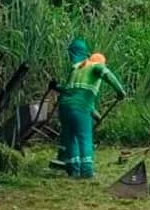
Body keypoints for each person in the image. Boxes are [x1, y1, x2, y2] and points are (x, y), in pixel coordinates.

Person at [50, 39, 126, 179]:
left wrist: (56, 87)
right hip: (79, 107)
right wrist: (120, 91)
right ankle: (86, 171)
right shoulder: (95, 67)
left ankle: (73, 170)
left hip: (65, 108)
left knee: (70, 138)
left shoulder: (76, 69)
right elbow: (107, 74)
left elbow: (70, 92)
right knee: (85, 137)